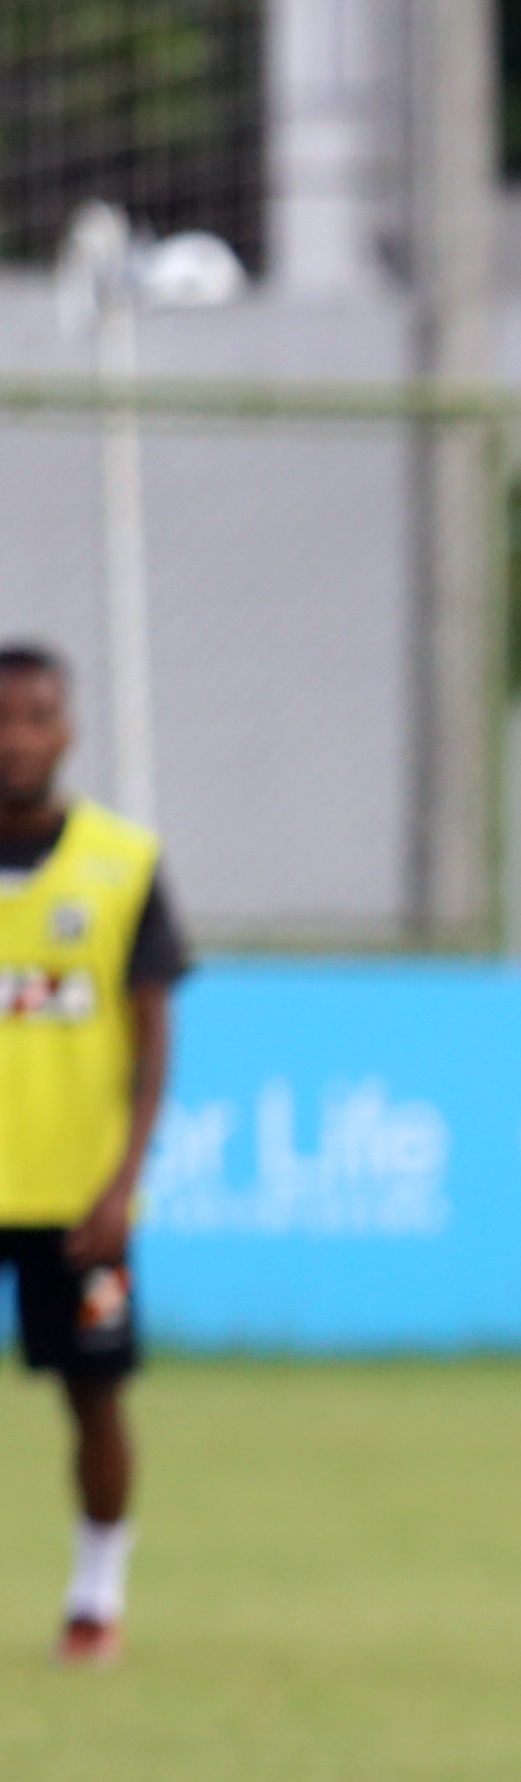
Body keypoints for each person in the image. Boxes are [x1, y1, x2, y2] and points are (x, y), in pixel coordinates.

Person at [0, 644, 185, 1667]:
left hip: (76, 1197)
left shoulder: (122, 862)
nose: (17, 738)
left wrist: (125, 1180)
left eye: (36, 716)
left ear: (66, 727)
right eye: (2, 719)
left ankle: (95, 1596)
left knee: (95, 1396)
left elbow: (153, 1036)